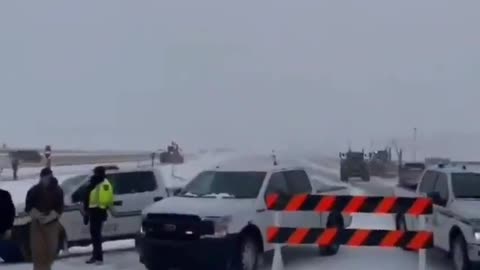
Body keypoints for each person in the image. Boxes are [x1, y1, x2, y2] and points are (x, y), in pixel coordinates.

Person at [25, 168, 64, 270]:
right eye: (45, 177)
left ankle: (47, 267)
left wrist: (52, 215)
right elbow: (28, 206)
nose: (47, 179)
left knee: (51, 250)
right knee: (38, 251)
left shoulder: (58, 190)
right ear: (41, 178)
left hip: (52, 223)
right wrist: (36, 214)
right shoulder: (34, 190)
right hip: (37, 223)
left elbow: (60, 207)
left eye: (48, 177)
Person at [82, 166, 114, 265]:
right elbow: (87, 197)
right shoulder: (93, 182)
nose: (94, 174)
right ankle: (95, 256)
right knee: (94, 235)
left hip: (98, 212)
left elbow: (106, 200)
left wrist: (98, 210)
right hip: (92, 211)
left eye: (95, 172)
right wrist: (87, 212)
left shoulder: (104, 184)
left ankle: (99, 258)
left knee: (96, 236)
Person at [0, 188, 20, 263]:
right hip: (6, 226)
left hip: (5, 226)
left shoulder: (4, 194)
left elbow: (11, 210)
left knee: (5, 245)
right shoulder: (4, 194)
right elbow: (12, 210)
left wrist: (9, 225)